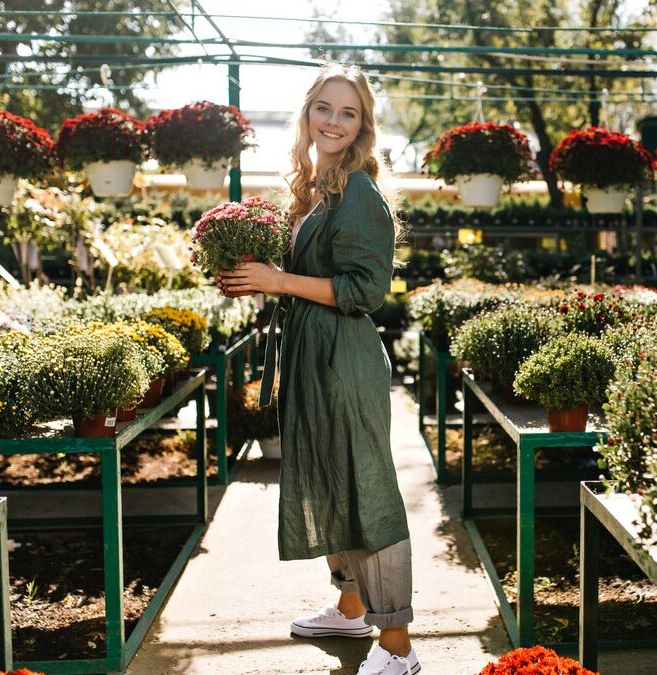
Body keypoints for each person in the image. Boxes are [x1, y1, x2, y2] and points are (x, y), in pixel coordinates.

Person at [216, 62, 418, 675]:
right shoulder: (315, 186)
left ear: (362, 127)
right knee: (332, 476)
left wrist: (280, 280)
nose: (333, 121)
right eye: (324, 108)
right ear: (307, 114)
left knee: (367, 489)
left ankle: (399, 649)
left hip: (344, 360)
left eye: (348, 112)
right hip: (314, 353)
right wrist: (254, 269)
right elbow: (304, 276)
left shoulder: (358, 190)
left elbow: (366, 288)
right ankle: (352, 606)